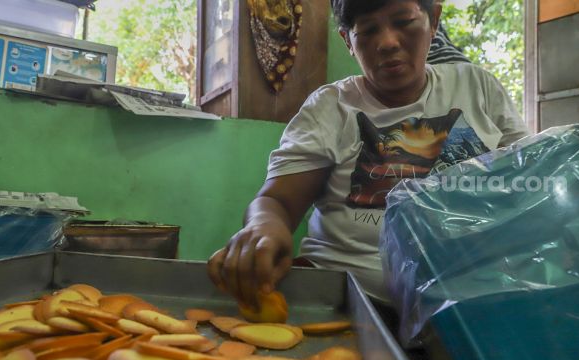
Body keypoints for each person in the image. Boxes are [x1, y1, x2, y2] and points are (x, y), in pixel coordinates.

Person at [207, 0, 530, 312]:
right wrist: (264, 226)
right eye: (369, 30)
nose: (388, 42)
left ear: (433, 21)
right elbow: (277, 201)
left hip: (472, 302)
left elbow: (530, 174)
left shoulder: (478, 87)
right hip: (354, 301)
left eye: (404, 22)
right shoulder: (329, 109)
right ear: (347, 40)